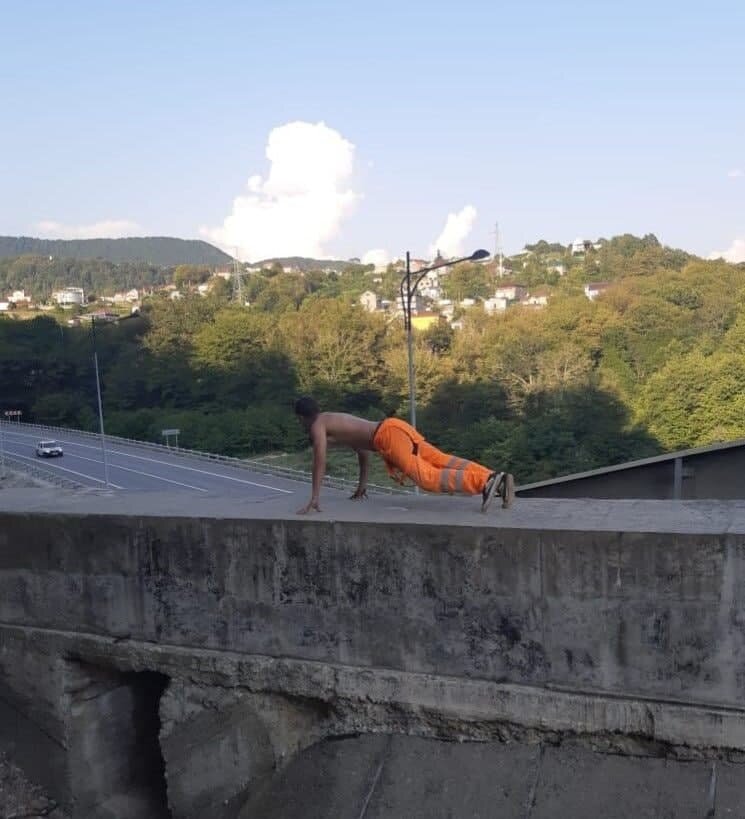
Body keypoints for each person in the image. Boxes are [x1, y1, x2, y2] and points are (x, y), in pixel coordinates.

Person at [294, 396, 514, 515]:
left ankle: (485, 482)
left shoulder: (318, 426)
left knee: (426, 477)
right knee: (440, 460)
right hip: (394, 426)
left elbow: (319, 461)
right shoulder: (332, 420)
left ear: (301, 418)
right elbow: (362, 452)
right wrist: (362, 486)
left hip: (387, 436)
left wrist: (314, 497)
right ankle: (494, 477)